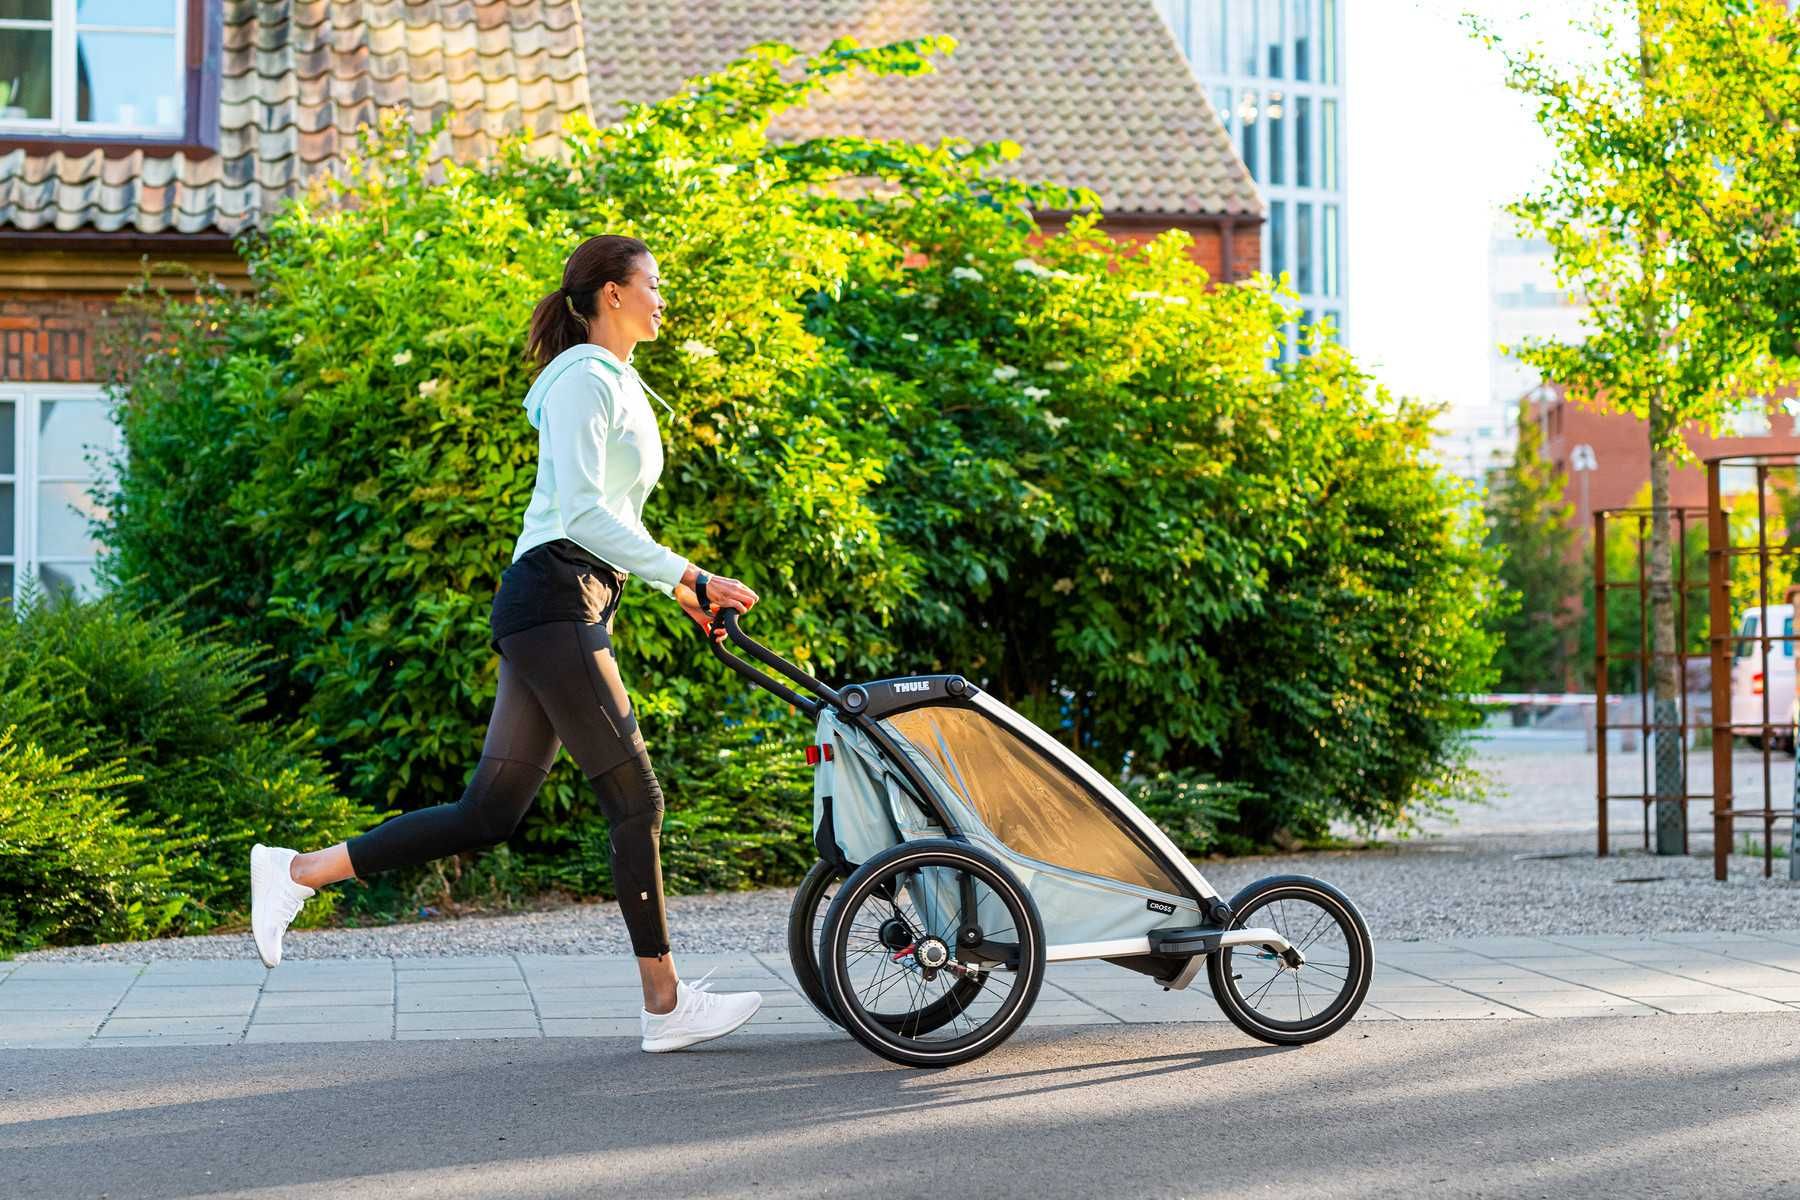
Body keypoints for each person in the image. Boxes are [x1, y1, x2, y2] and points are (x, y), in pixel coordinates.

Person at [249, 234, 765, 1053]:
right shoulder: (580, 383)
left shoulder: (614, 381)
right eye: (653, 284)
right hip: (556, 596)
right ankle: (665, 1006)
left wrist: (678, 589)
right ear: (610, 294)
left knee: (489, 813)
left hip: (570, 598)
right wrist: (693, 574)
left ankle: (297, 871)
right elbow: (587, 515)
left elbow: (611, 523)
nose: (664, 298)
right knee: (637, 799)